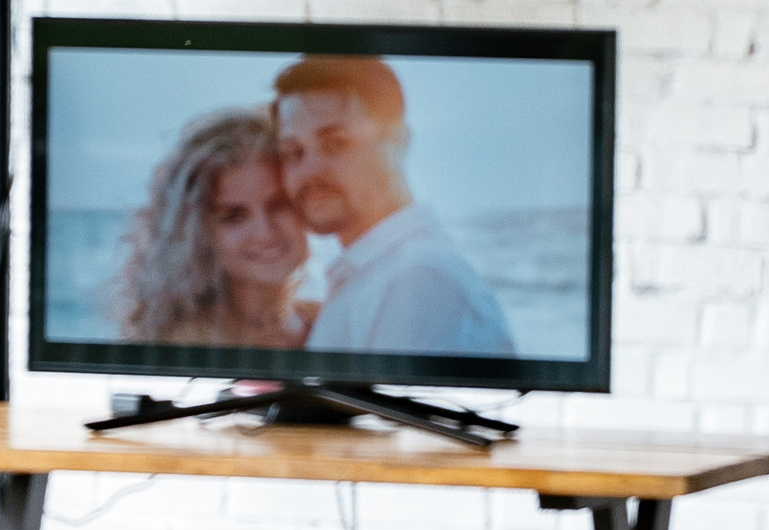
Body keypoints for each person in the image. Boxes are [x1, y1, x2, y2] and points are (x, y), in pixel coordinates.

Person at [271, 54, 516, 360]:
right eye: (293, 151)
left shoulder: (417, 283)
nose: (310, 170)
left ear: (397, 140)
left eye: (336, 143)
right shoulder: (374, 276)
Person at [110, 106, 317, 352]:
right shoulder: (186, 346)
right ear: (197, 232)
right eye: (234, 217)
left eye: (279, 205)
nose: (265, 232)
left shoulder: (325, 320)